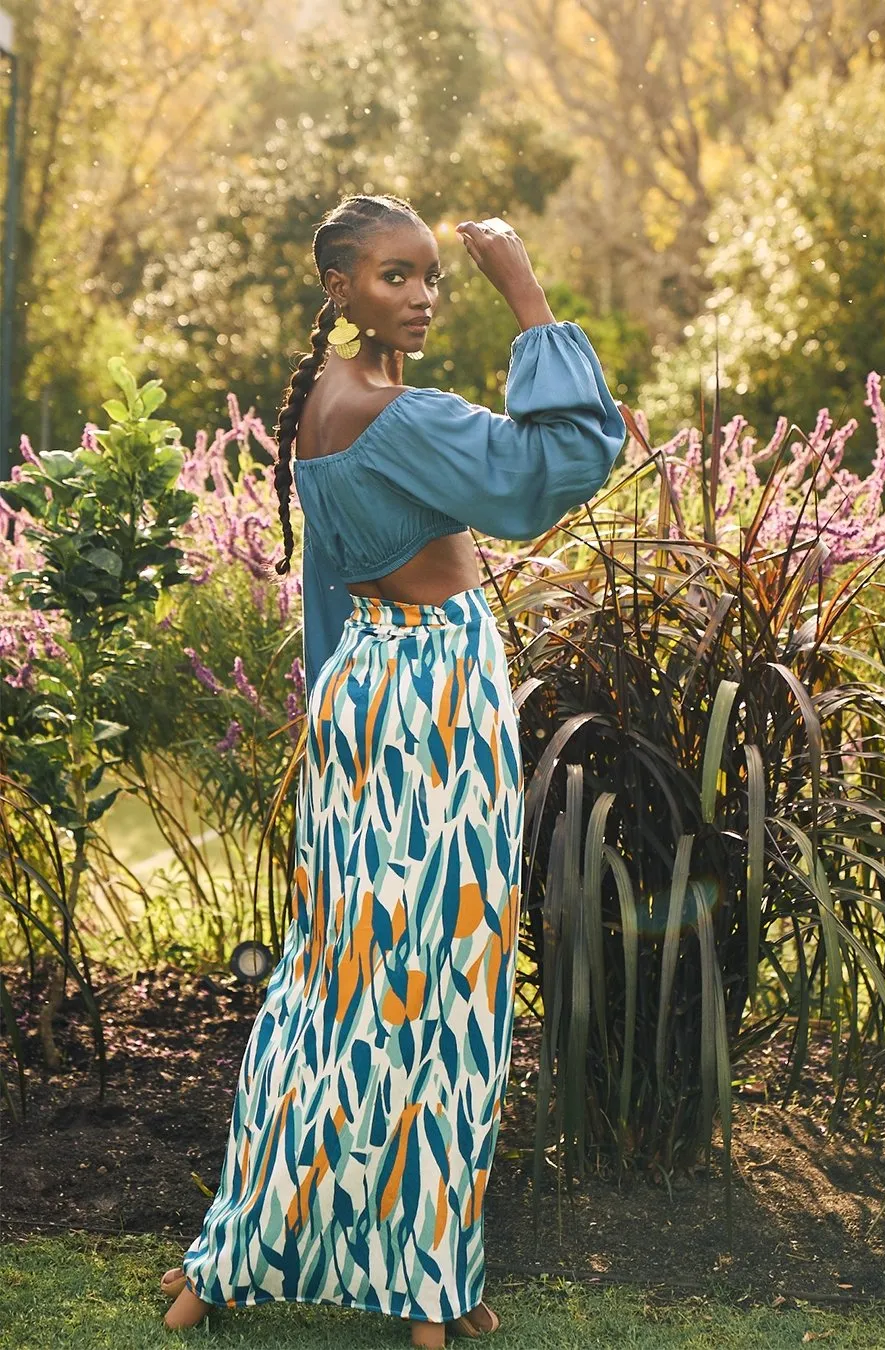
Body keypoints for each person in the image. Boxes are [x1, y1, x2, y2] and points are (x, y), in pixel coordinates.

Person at [158, 193, 626, 1346]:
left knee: (337, 980)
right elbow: (555, 468)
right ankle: (427, 1280)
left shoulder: (322, 402)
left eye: (431, 278)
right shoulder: (391, 414)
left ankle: (229, 1263)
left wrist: (328, 726)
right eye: (392, 277)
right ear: (338, 288)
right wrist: (528, 296)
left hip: (367, 697)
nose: (418, 298)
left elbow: (332, 586)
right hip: (432, 703)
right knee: (444, 985)